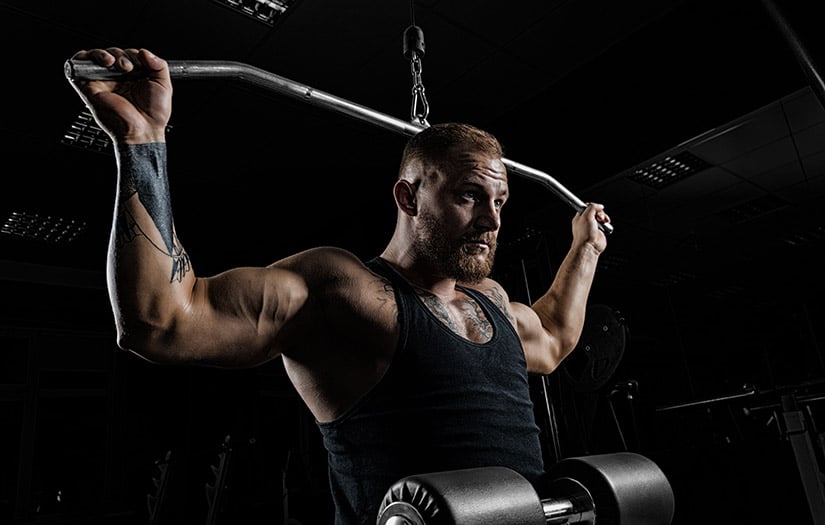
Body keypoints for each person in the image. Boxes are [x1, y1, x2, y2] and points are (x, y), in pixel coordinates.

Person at [67, 47, 610, 525]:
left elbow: (557, 338)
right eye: (469, 196)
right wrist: (142, 141)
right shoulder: (342, 289)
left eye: (499, 202)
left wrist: (585, 246)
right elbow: (161, 323)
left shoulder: (492, 301)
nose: (491, 222)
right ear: (408, 198)